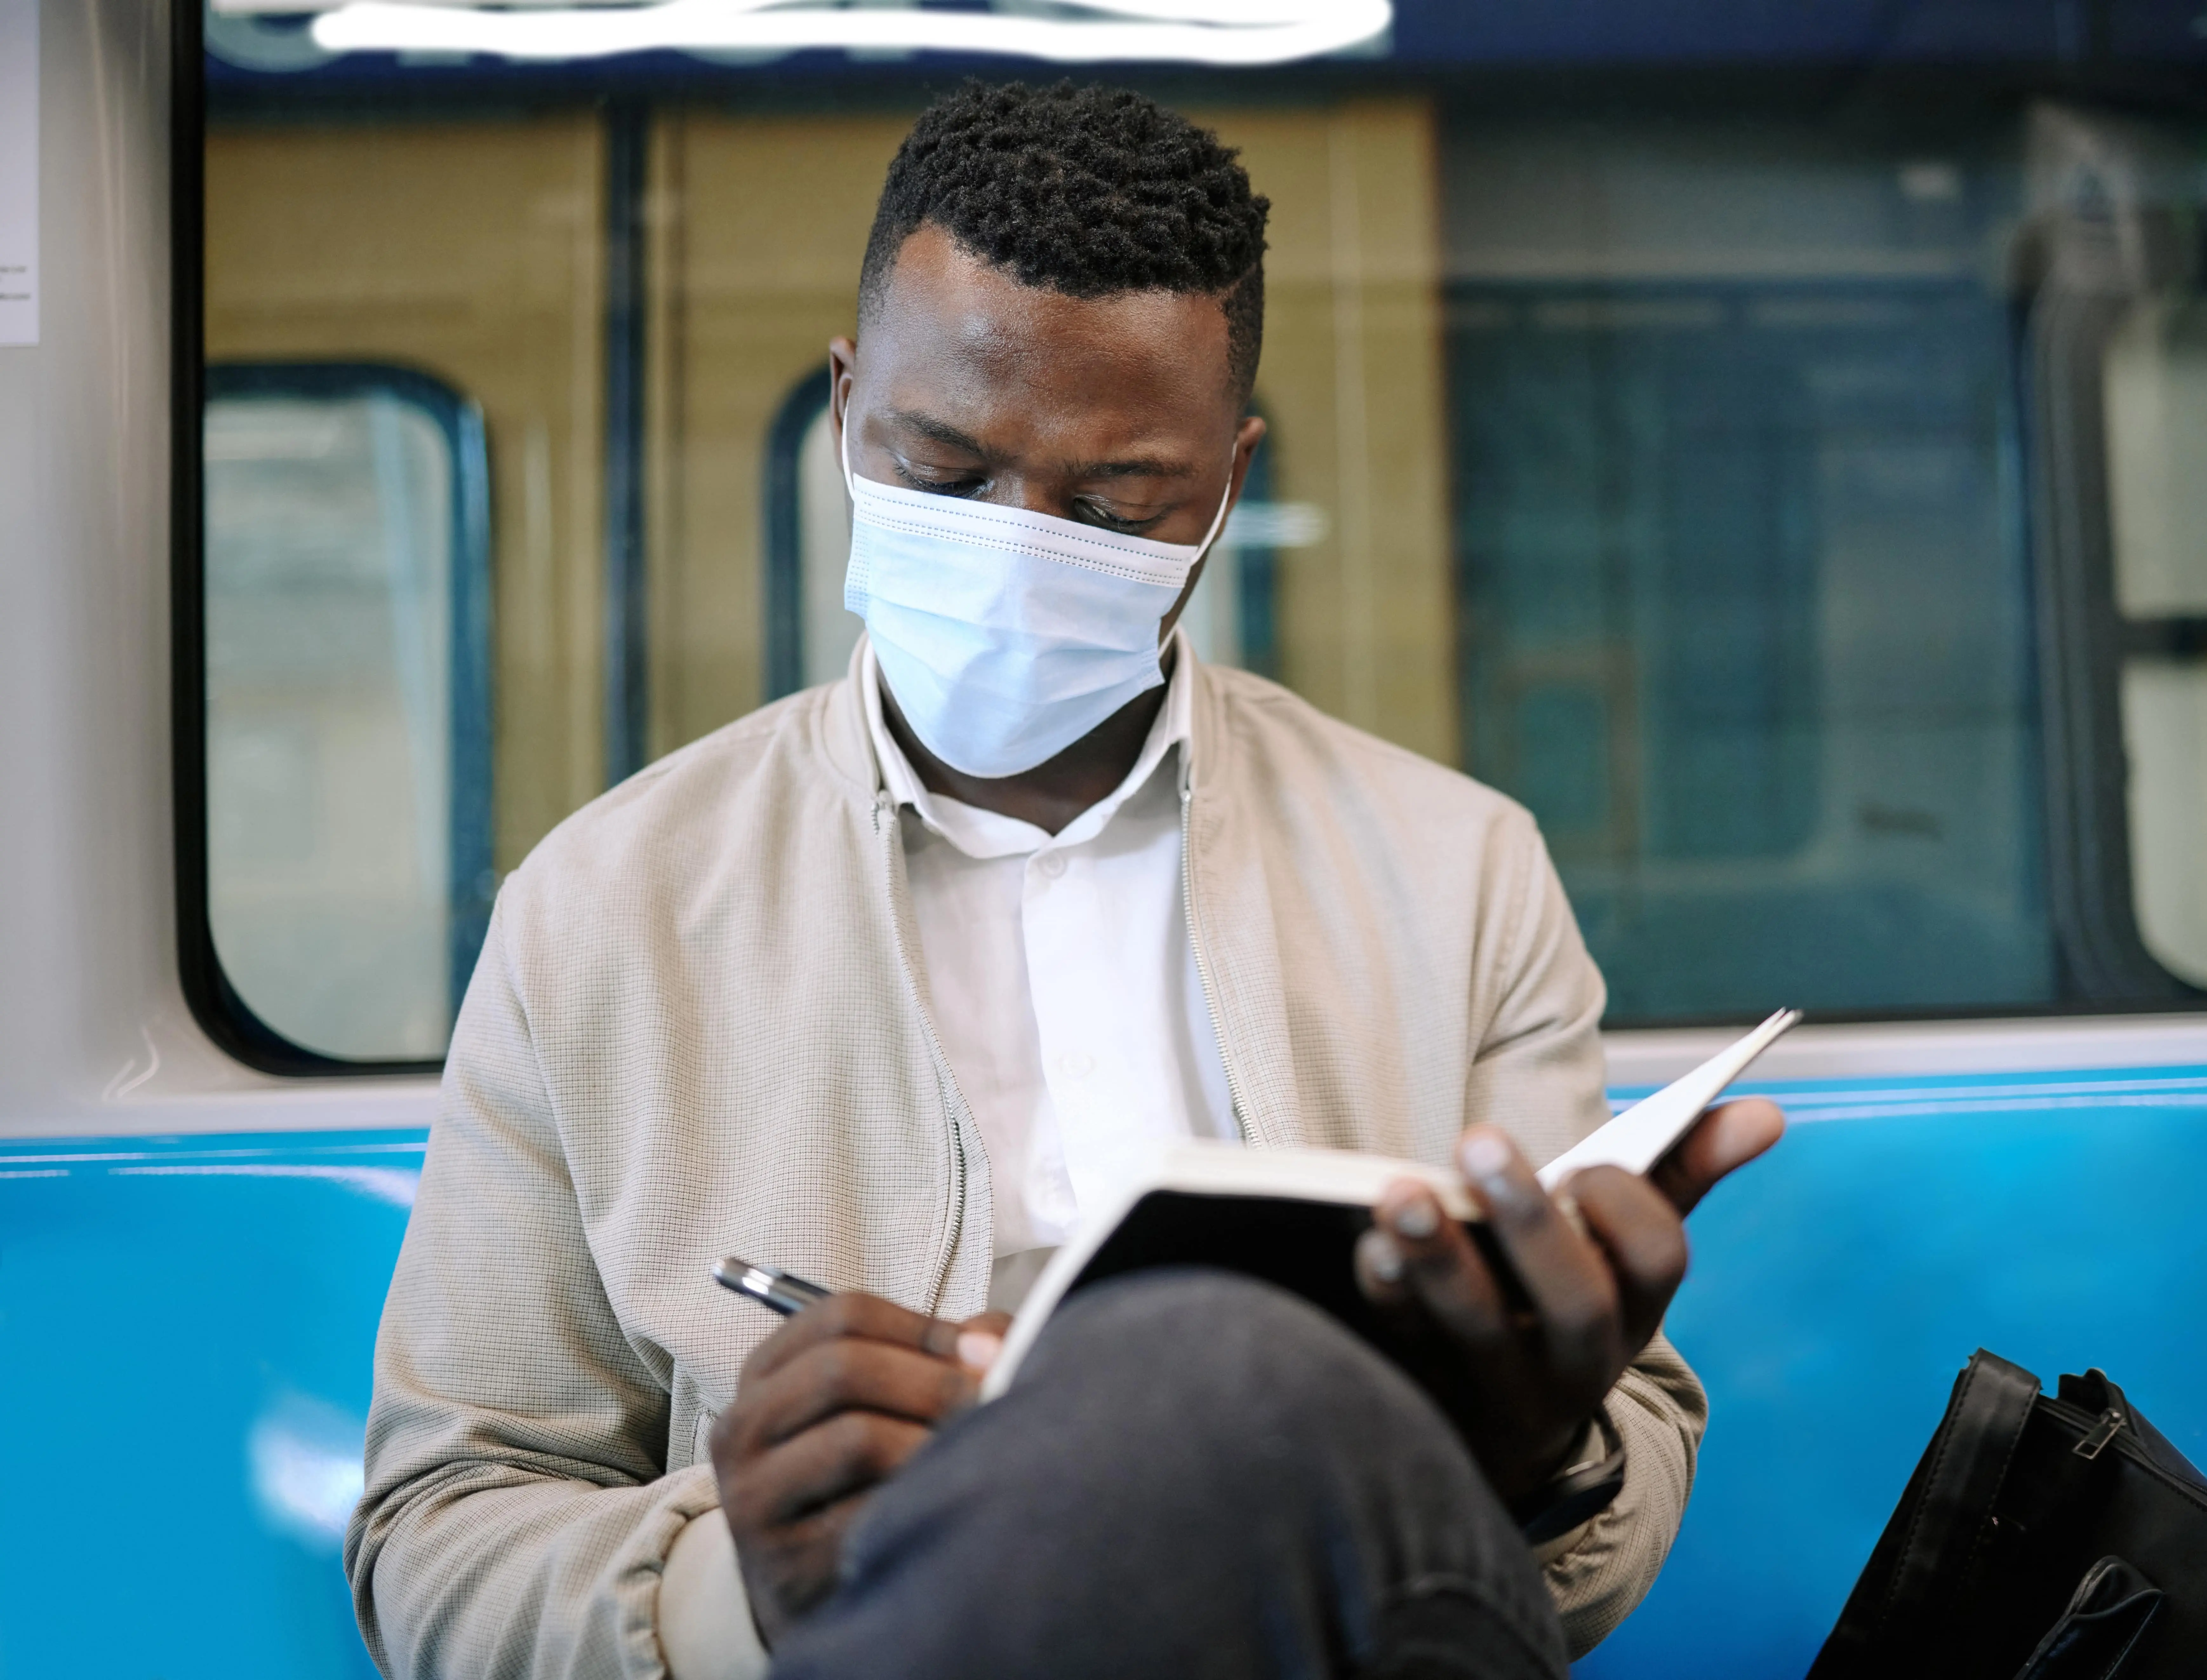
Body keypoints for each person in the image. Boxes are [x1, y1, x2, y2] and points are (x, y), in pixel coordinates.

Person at [347, 80, 1784, 1680]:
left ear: (1226, 483)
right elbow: (442, 1532)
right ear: (843, 410)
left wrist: (1547, 1455)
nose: (1018, 552)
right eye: (946, 476)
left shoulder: (1456, 874)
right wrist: (740, 1579)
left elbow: (1617, 1476)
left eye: (1113, 509)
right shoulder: (599, 914)